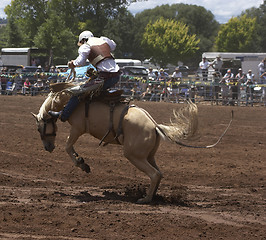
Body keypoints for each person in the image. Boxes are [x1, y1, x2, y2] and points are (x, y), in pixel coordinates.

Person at [49, 30, 120, 121]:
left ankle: (63, 115)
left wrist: (72, 63)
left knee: (78, 92)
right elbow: (113, 45)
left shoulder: (86, 46)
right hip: (116, 76)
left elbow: (80, 61)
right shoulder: (103, 40)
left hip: (105, 78)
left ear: (83, 40)